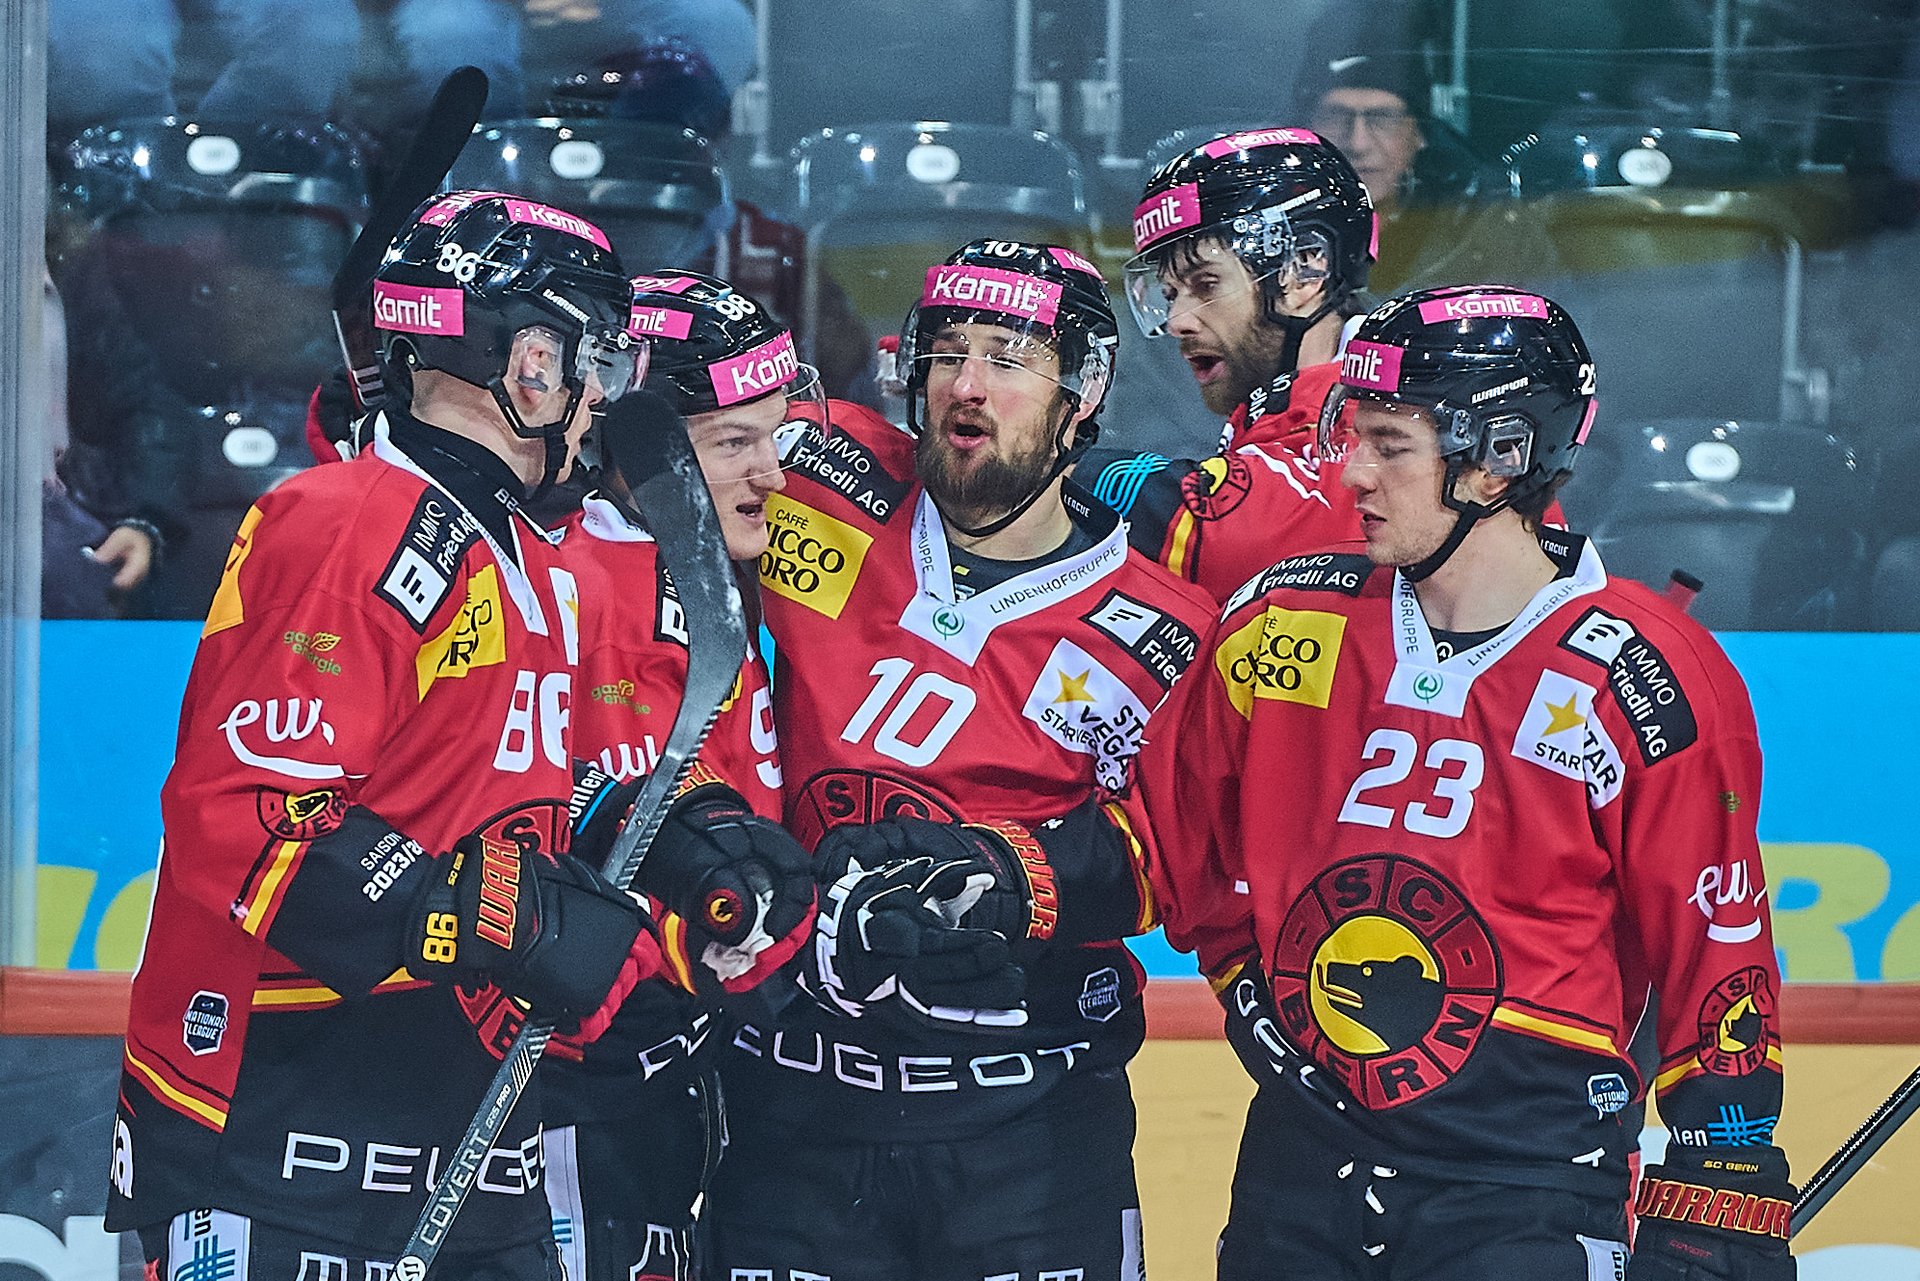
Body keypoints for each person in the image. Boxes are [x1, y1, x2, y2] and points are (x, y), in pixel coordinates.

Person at [105, 190, 799, 1279]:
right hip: (289, 1138)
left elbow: (501, 785)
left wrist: (668, 831)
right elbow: (245, 822)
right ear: (530, 364)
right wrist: (492, 910)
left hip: (472, 1142)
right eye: (595, 358)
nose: (604, 396)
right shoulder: (351, 522)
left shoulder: (528, 552)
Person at [1125, 284, 1795, 1279]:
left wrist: (1722, 1181)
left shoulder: (1646, 677)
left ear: (1500, 457)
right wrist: (1247, 989)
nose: (1350, 472)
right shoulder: (1282, 619)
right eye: (1352, 437)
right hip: (1299, 1174)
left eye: (1389, 445)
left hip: (1522, 1193)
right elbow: (1174, 845)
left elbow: (1716, 954)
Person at [704, 239, 1216, 1280]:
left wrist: (1001, 877)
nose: (965, 385)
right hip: (787, 1110)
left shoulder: (1161, 632)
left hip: (1027, 1135)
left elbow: (1162, 861)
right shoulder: (821, 474)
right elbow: (657, 434)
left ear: (1083, 393)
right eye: (946, 353)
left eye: (1008, 358)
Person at [546, 272, 823, 1281]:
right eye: (734, 442)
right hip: (590, 1080)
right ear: (638, 446)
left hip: (689, 1068)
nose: (773, 473)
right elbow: (598, 839)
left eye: (777, 435)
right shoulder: (586, 578)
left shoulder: (699, 563)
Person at [1087, 126, 1379, 603]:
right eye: (1169, 295)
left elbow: (1236, 540)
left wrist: (1049, 467)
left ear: (1306, 271)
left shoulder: (1400, 408)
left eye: (1206, 284)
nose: (1178, 321)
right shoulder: (1277, 414)